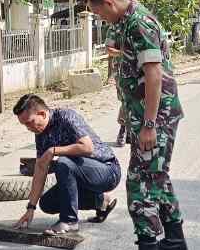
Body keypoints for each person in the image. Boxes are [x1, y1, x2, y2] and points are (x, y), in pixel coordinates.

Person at [84, 0, 190, 250]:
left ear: (108, 3)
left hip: (157, 118)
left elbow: (154, 75)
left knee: (139, 183)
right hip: (148, 115)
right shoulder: (126, 22)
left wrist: (148, 124)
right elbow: (134, 74)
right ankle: (174, 240)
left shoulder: (139, 23)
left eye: (98, 13)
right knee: (158, 177)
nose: (101, 19)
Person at [12, 95, 120, 235]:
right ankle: (100, 200)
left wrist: (54, 150)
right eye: (25, 125)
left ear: (43, 114)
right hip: (81, 174)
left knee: (64, 163)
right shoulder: (40, 133)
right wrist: (30, 208)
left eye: (29, 122)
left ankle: (69, 221)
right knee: (47, 203)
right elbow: (40, 169)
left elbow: (87, 147)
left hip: (107, 170)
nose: (28, 128)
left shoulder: (65, 116)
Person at [105, 25, 129, 147]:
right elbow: (109, 49)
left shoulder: (139, 25)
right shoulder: (115, 28)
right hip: (122, 70)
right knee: (125, 100)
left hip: (141, 70)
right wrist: (123, 53)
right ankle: (123, 130)